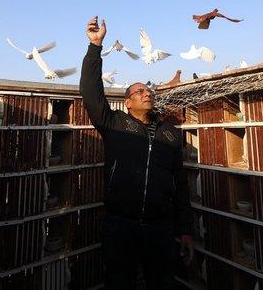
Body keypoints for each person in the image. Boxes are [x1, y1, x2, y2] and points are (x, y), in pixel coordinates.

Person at [80, 15, 194, 289]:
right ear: (128, 102)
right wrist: (95, 47)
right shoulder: (114, 124)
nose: (147, 93)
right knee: (119, 283)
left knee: (161, 283)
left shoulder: (170, 133)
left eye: (148, 90)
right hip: (121, 225)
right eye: (139, 91)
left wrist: (186, 230)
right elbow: (91, 92)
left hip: (160, 228)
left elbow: (180, 184)